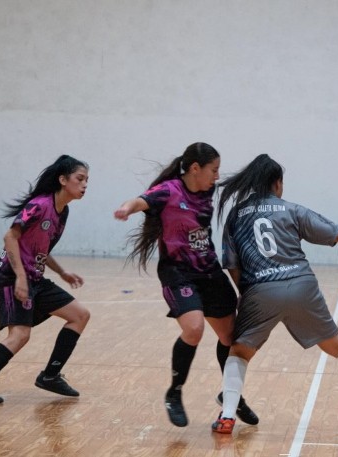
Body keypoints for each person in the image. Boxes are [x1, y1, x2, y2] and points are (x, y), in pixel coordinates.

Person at [211, 154, 338, 434]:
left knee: (239, 353)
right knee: (337, 345)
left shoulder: (235, 216)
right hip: (301, 283)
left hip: (260, 289)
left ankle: (227, 417)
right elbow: (334, 232)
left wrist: (249, 294)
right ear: (277, 183)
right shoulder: (291, 209)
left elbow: (232, 265)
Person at [113, 142, 257, 428]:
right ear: (195, 168)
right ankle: (174, 392)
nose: (217, 176)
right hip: (178, 273)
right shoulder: (168, 191)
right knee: (194, 329)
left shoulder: (208, 189)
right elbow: (141, 200)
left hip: (209, 272)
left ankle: (230, 396)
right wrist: (126, 208)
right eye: (213, 170)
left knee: (232, 340)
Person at [0, 155, 91, 403]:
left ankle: (50, 375)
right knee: (20, 336)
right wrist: (19, 277)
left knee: (79, 315)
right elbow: (10, 237)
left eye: (86, 181)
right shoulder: (39, 205)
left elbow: (40, 249)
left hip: (34, 278)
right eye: (79, 179)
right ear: (62, 180)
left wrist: (62, 272)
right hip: (10, 277)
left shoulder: (63, 212)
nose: (84, 185)